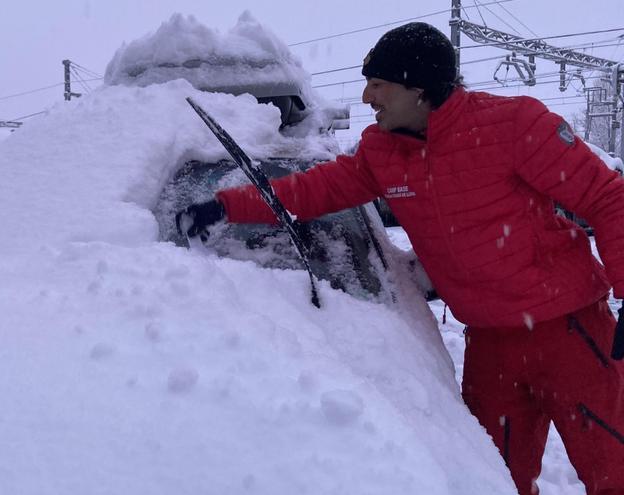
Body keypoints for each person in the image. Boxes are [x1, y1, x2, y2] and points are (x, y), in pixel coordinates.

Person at [176, 22, 624, 495]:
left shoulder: (515, 125)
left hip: (570, 329)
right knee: (491, 481)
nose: (368, 96)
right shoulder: (381, 153)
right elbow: (312, 190)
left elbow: (609, 198)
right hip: (491, 347)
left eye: (378, 83)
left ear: (419, 88)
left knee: (612, 469)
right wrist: (228, 206)